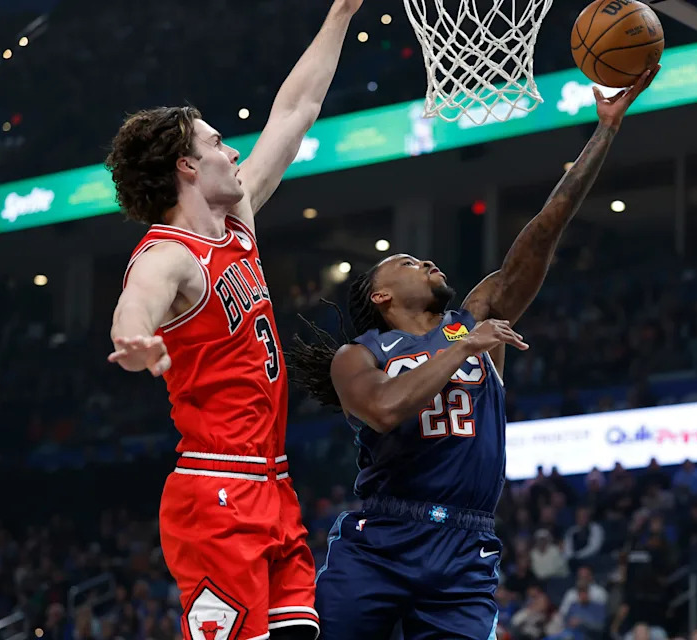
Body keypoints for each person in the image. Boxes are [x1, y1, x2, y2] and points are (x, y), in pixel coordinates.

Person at [287, 67, 659, 639]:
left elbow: (545, 230)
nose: (430, 264)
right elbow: (385, 410)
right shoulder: (358, 355)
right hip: (381, 538)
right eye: (409, 262)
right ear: (381, 295)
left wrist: (604, 131)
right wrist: (463, 348)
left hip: (466, 545)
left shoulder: (475, 319)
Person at [104, 1, 363, 638]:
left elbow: (295, 112)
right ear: (186, 167)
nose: (233, 151)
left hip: (273, 486)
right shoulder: (170, 254)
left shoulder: (238, 225)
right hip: (217, 493)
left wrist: (342, 12)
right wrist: (134, 338)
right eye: (218, 142)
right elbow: (136, 298)